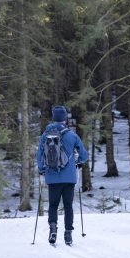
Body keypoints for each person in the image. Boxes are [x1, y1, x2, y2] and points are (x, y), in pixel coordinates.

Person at [36, 105, 89, 245]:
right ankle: (68, 234)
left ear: (54, 118)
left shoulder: (45, 135)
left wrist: (41, 169)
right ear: (65, 118)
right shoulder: (72, 135)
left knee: (53, 205)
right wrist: (79, 162)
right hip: (69, 177)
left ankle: (53, 229)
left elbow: (39, 154)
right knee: (68, 205)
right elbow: (84, 155)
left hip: (52, 177)